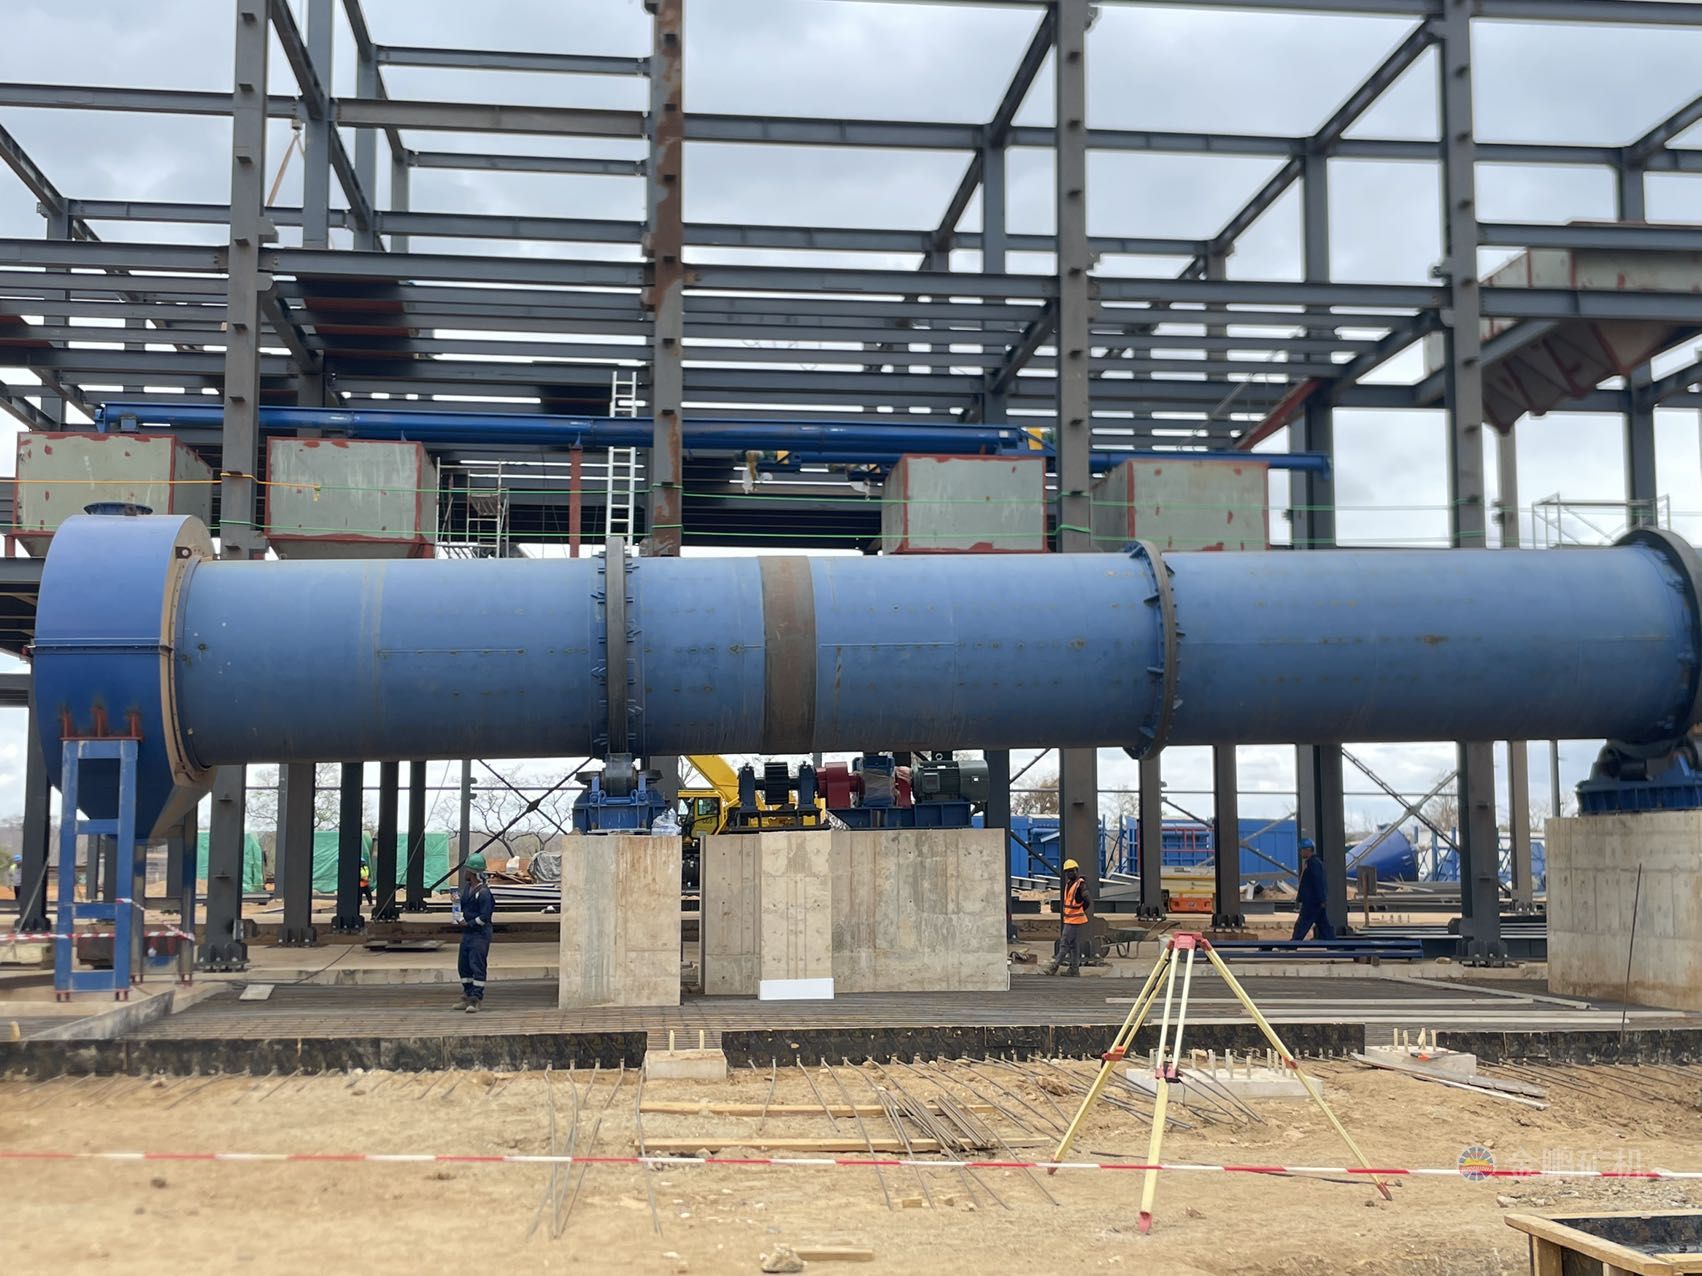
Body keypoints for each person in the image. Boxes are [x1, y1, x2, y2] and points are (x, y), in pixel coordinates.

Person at [454, 854, 496, 1013]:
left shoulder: (484, 893)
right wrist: (456, 903)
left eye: (467, 870)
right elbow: (465, 906)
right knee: (463, 965)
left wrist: (470, 923)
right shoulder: (468, 889)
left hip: (480, 934)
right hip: (469, 933)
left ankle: (476, 998)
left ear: (472, 872)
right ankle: (467, 994)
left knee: (477, 964)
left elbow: (485, 916)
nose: (464, 872)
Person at [1047, 858, 1092, 977]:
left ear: (1076, 870)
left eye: (1072, 871)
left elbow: (1087, 900)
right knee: (1073, 946)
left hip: (1073, 920)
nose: (1070, 873)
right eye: (1068, 872)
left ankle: (1054, 967)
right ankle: (1074, 969)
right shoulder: (1070, 884)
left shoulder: (1080, 885)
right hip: (1070, 919)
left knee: (1064, 944)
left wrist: (1080, 909)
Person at [1292, 838, 1335, 941]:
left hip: (1312, 902)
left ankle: (1293, 944)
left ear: (1308, 850)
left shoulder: (1313, 864)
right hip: (1316, 901)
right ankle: (1333, 944)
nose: (1300, 852)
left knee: (1303, 923)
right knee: (1324, 925)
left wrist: (1321, 899)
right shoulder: (1313, 862)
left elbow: (1318, 882)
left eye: (1302, 850)